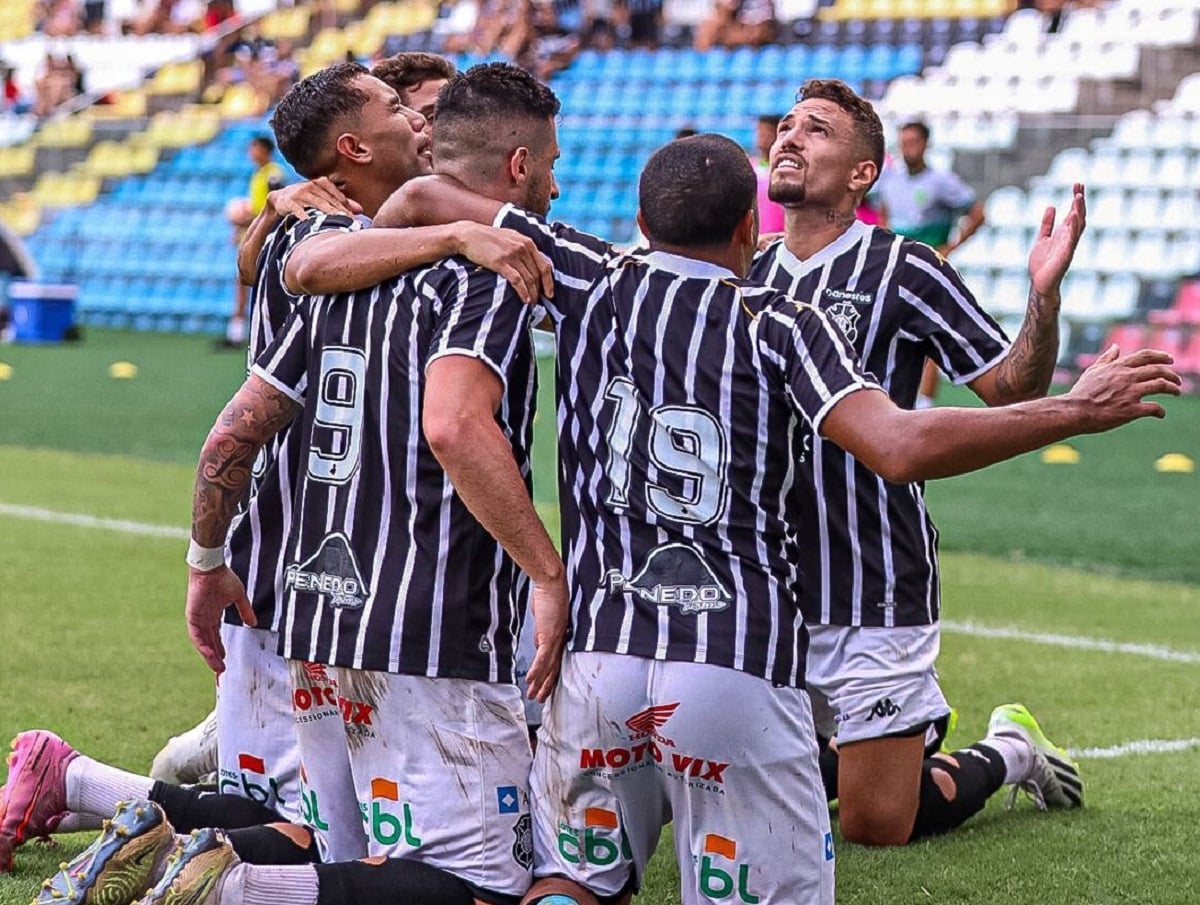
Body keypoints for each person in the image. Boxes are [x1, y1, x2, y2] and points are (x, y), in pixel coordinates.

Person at [384, 132, 1176, 905]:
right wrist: (1074, 411)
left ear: (643, 221)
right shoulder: (783, 322)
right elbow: (900, 445)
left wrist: (398, 234)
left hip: (599, 657)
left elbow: (422, 195)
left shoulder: (587, 274)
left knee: (572, 883)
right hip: (736, 661)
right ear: (747, 228)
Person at [175, 62, 569, 905]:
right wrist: (546, 570)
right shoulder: (470, 265)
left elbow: (242, 413)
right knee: (480, 886)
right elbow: (453, 426)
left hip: (318, 603)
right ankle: (214, 883)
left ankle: (158, 840)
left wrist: (204, 556)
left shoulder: (332, 246)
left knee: (332, 854)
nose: (423, 122)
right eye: (403, 108)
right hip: (419, 612)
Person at [751, 78, 1086, 847]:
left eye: (817, 130)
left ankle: (1011, 749)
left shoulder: (905, 268)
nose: (791, 137)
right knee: (749, 782)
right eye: (789, 125)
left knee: (876, 824)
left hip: (873, 573)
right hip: (765, 581)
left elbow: (1011, 388)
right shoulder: (747, 269)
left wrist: (1043, 298)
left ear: (862, 173)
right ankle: (885, 739)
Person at [874, 119, 988, 407]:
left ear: (926, 144)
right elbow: (884, 212)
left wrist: (951, 247)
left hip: (929, 268)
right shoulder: (890, 180)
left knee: (929, 330)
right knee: (892, 328)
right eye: (904, 142)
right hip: (897, 265)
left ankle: (925, 402)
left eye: (913, 142)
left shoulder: (942, 182)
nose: (908, 148)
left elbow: (977, 213)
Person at [221, 136, 287, 351]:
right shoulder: (259, 174)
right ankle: (236, 334)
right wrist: (240, 230)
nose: (251, 152)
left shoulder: (273, 174)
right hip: (253, 237)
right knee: (242, 284)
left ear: (265, 150)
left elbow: (277, 211)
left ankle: (272, 335)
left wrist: (244, 221)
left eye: (255, 148)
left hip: (266, 239)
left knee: (265, 287)